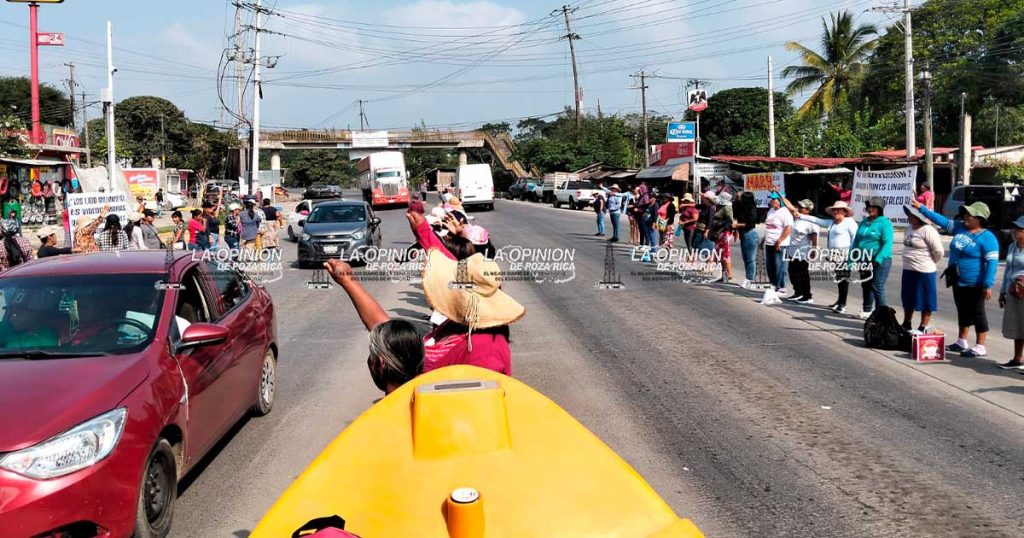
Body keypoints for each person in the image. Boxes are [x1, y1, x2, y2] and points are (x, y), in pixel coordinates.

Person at [915, 200, 999, 358]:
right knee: (962, 310)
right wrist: (922, 209)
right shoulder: (960, 228)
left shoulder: (988, 238)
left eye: (969, 215)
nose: (965, 217)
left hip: (975, 282)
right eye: (965, 214)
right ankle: (962, 341)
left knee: (978, 313)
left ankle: (980, 346)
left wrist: (987, 284)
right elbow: (941, 220)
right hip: (957, 279)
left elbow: (992, 263)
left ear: (979, 219)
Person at [794, 200, 859, 313]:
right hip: (834, 255)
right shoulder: (831, 223)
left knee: (843, 279)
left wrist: (852, 256)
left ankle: (842, 304)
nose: (836, 212)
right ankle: (839, 301)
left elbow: (855, 239)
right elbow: (816, 220)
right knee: (838, 278)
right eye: (834, 210)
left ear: (845, 212)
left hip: (845, 254)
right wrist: (800, 215)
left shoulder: (849, 222)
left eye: (838, 210)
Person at [900, 204, 944, 331]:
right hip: (908, 269)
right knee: (908, 298)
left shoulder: (928, 230)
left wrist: (931, 261)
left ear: (918, 217)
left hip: (924, 270)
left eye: (912, 215)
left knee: (926, 300)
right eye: (908, 214)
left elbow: (938, 251)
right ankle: (907, 322)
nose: (909, 216)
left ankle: (922, 327)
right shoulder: (908, 229)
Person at [851, 197, 894, 319]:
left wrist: (878, 258)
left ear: (880, 209)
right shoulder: (864, 222)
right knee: (866, 284)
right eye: (869, 207)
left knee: (877, 286)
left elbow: (887, 243)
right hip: (864, 259)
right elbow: (856, 241)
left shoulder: (885, 223)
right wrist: (852, 256)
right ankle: (867, 310)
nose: (870, 209)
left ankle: (882, 316)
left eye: (874, 207)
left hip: (880, 260)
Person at [998, 216, 1024, 371]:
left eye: (1019, 229)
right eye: (1015, 228)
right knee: (1016, 325)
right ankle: (1017, 359)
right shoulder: (1012, 247)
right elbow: (1007, 270)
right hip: (1013, 292)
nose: (1015, 231)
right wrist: (1002, 292)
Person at [784, 199, 820, 303]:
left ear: (808, 209)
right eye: (799, 206)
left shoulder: (811, 221)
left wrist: (814, 250)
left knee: (802, 273)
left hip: (802, 251)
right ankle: (798, 292)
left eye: (801, 207)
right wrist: (779, 194)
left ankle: (807, 296)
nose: (798, 208)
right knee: (792, 271)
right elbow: (789, 205)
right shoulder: (798, 217)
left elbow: (814, 237)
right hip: (793, 250)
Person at [760, 193, 793, 294]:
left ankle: (782, 287)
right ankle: (774, 285)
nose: (773, 201)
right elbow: (769, 227)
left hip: (781, 245)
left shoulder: (785, 212)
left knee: (780, 266)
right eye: (772, 199)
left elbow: (788, 228)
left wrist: (779, 240)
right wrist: (763, 240)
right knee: (770, 267)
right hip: (769, 243)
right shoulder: (771, 211)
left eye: (775, 199)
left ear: (781, 201)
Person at [732, 191, 759, 288]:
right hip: (743, 234)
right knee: (746, 258)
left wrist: (738, 225)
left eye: (741, 197)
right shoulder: (741, 207)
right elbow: (735, 213)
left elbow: (751, 224)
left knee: (750, 258)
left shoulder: (752, 209)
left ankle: (750, 279)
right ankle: (748, 278)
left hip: (750, 233)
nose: (739, 199)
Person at [709, 192, 734, 283]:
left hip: (724, 233)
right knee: (720, 254)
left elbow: (730, 221)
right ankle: (724, 276)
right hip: (720, 233)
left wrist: (720, 224)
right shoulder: (722, 206)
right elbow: (714, 201)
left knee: (725, 255)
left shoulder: (727, 208)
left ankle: (729, 274)